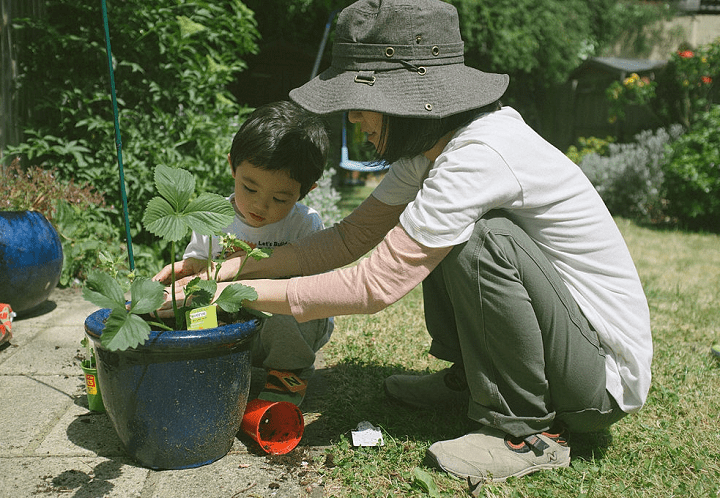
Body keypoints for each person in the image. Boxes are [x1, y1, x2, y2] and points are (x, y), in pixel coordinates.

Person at [158, 0, 652, 483]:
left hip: (598, 383)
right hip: (564, 352)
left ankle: (520, 432)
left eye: (361, 104)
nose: (353, 119)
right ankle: (474, 378)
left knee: (482, 241)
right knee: (447, 233)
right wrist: (223, 270)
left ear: (404, 96)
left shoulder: (481, 153)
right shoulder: (430, 150)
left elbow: (374, 285)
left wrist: (227, 297)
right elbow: (348, 239)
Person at [155, 100, 334, 406]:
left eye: (280, 198)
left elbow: (313, 290)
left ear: (307, 190)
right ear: (232, 168)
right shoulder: (213, 215)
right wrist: (190, 267)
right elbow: (200, 261)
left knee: (289, 316)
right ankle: (213, 364)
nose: (260, 206)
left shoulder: (305, 223)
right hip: (236, 323)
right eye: (249, 188)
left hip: (283, 320)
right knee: (192, 308)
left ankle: (289, 373)